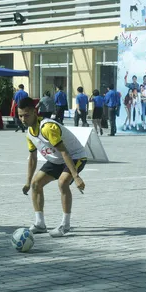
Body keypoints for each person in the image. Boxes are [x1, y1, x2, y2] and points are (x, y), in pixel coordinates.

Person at [18, 97, 86, 237]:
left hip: (75, 156)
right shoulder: (30, 133)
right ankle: (40, 224)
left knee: (62, 183)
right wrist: (27, 182)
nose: (23, 119)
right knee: (36, 184)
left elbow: (64, 151)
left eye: (26, 115)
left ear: (34, 112)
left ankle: (65, 225)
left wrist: (76, 176)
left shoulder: (47, 127)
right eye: (20, 116)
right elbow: (32, 158)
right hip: (56, 160)